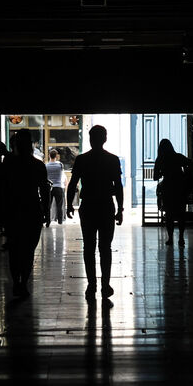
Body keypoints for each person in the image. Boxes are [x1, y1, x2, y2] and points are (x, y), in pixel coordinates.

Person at [66, 125, 124, 300]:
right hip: (106, 206)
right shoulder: (112, 160)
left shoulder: (82, 160)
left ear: (90, 139)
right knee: (105, 247)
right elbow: (118, 186)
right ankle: (105, 285)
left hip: (88, 206)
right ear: (104, 139)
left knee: (89, 247)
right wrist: (120, 209)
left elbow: (73, 183)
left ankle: (92, 285)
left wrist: (69, 205)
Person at [1, 129, 51, 298]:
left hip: (13, 211)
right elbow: (44, 190)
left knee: (14, 250)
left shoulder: (8, 165)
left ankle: (17, 282)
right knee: (28, 250)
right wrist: (46, 212)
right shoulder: (37, 165)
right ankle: (22, 283)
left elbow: (0, 190)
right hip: (32, 210)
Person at [153, 138, 193, 246]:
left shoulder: (160, 159)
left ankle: (170, 238)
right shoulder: (178, 157)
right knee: (181, 214)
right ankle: (181, 238)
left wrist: (163, 173)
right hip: (180, 189)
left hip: (167, 189)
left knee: (169, 215)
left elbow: (155, 177)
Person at [45, 148, 66, 225]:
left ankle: (48, 221)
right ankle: (60, 221)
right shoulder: (60, 165)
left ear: (49, 156)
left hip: (49, 187)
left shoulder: (46, 166)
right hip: (58, 187)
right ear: (56, 156)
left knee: (48, 206)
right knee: (59, 206)